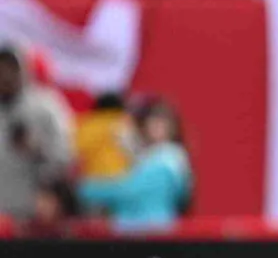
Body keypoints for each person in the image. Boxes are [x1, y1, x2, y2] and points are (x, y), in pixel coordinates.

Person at [78, 99, 193, 232]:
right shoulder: (144, 158)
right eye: (153, 121)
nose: (157, 127)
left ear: (173, 127)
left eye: (163, 122)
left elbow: (127, 190)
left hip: (154, 233)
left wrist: (86, 188)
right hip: (131, 232)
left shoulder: (169, 159)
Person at [0, 46, 74, 220]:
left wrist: (36, 148)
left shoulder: (46, 107)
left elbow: (64, 156)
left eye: (11, 69)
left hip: (33, 209)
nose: (5, 76)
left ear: (24, 71)